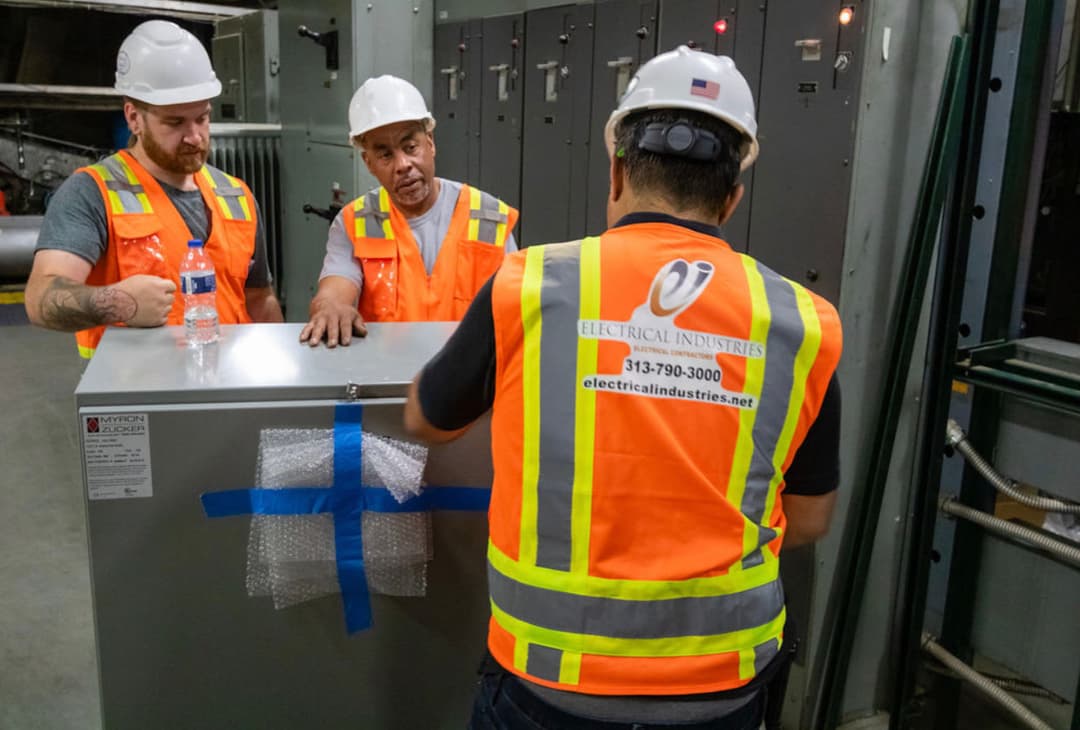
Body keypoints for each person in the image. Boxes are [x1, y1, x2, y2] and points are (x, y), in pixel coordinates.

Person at [403, 46, 843, 729]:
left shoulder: (528, 287)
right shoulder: (803, 323)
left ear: (615, 172)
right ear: (731, 197)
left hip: (546, 685)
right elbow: (810, 519)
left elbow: (427, 419)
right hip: (723, 689)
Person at [25, 20, 282, 358]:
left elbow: (259, 299)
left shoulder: (236, 196)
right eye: (175, 122)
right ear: (134, 118)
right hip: (137, 396)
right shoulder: (92, 193)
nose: (194, 136)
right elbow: (41, 297)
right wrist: (119, 303)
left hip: (228, 390)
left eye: (202, 118)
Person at [298, 75, 519, 348]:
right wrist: (329, 308)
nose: (403, 164)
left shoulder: (487, 217)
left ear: (430, 143)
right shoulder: (354, 222)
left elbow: (515, 310)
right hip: (385, 378)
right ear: (368, 163)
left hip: (469, 381)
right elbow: (334, 291)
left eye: (410, 147)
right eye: (385, 155)